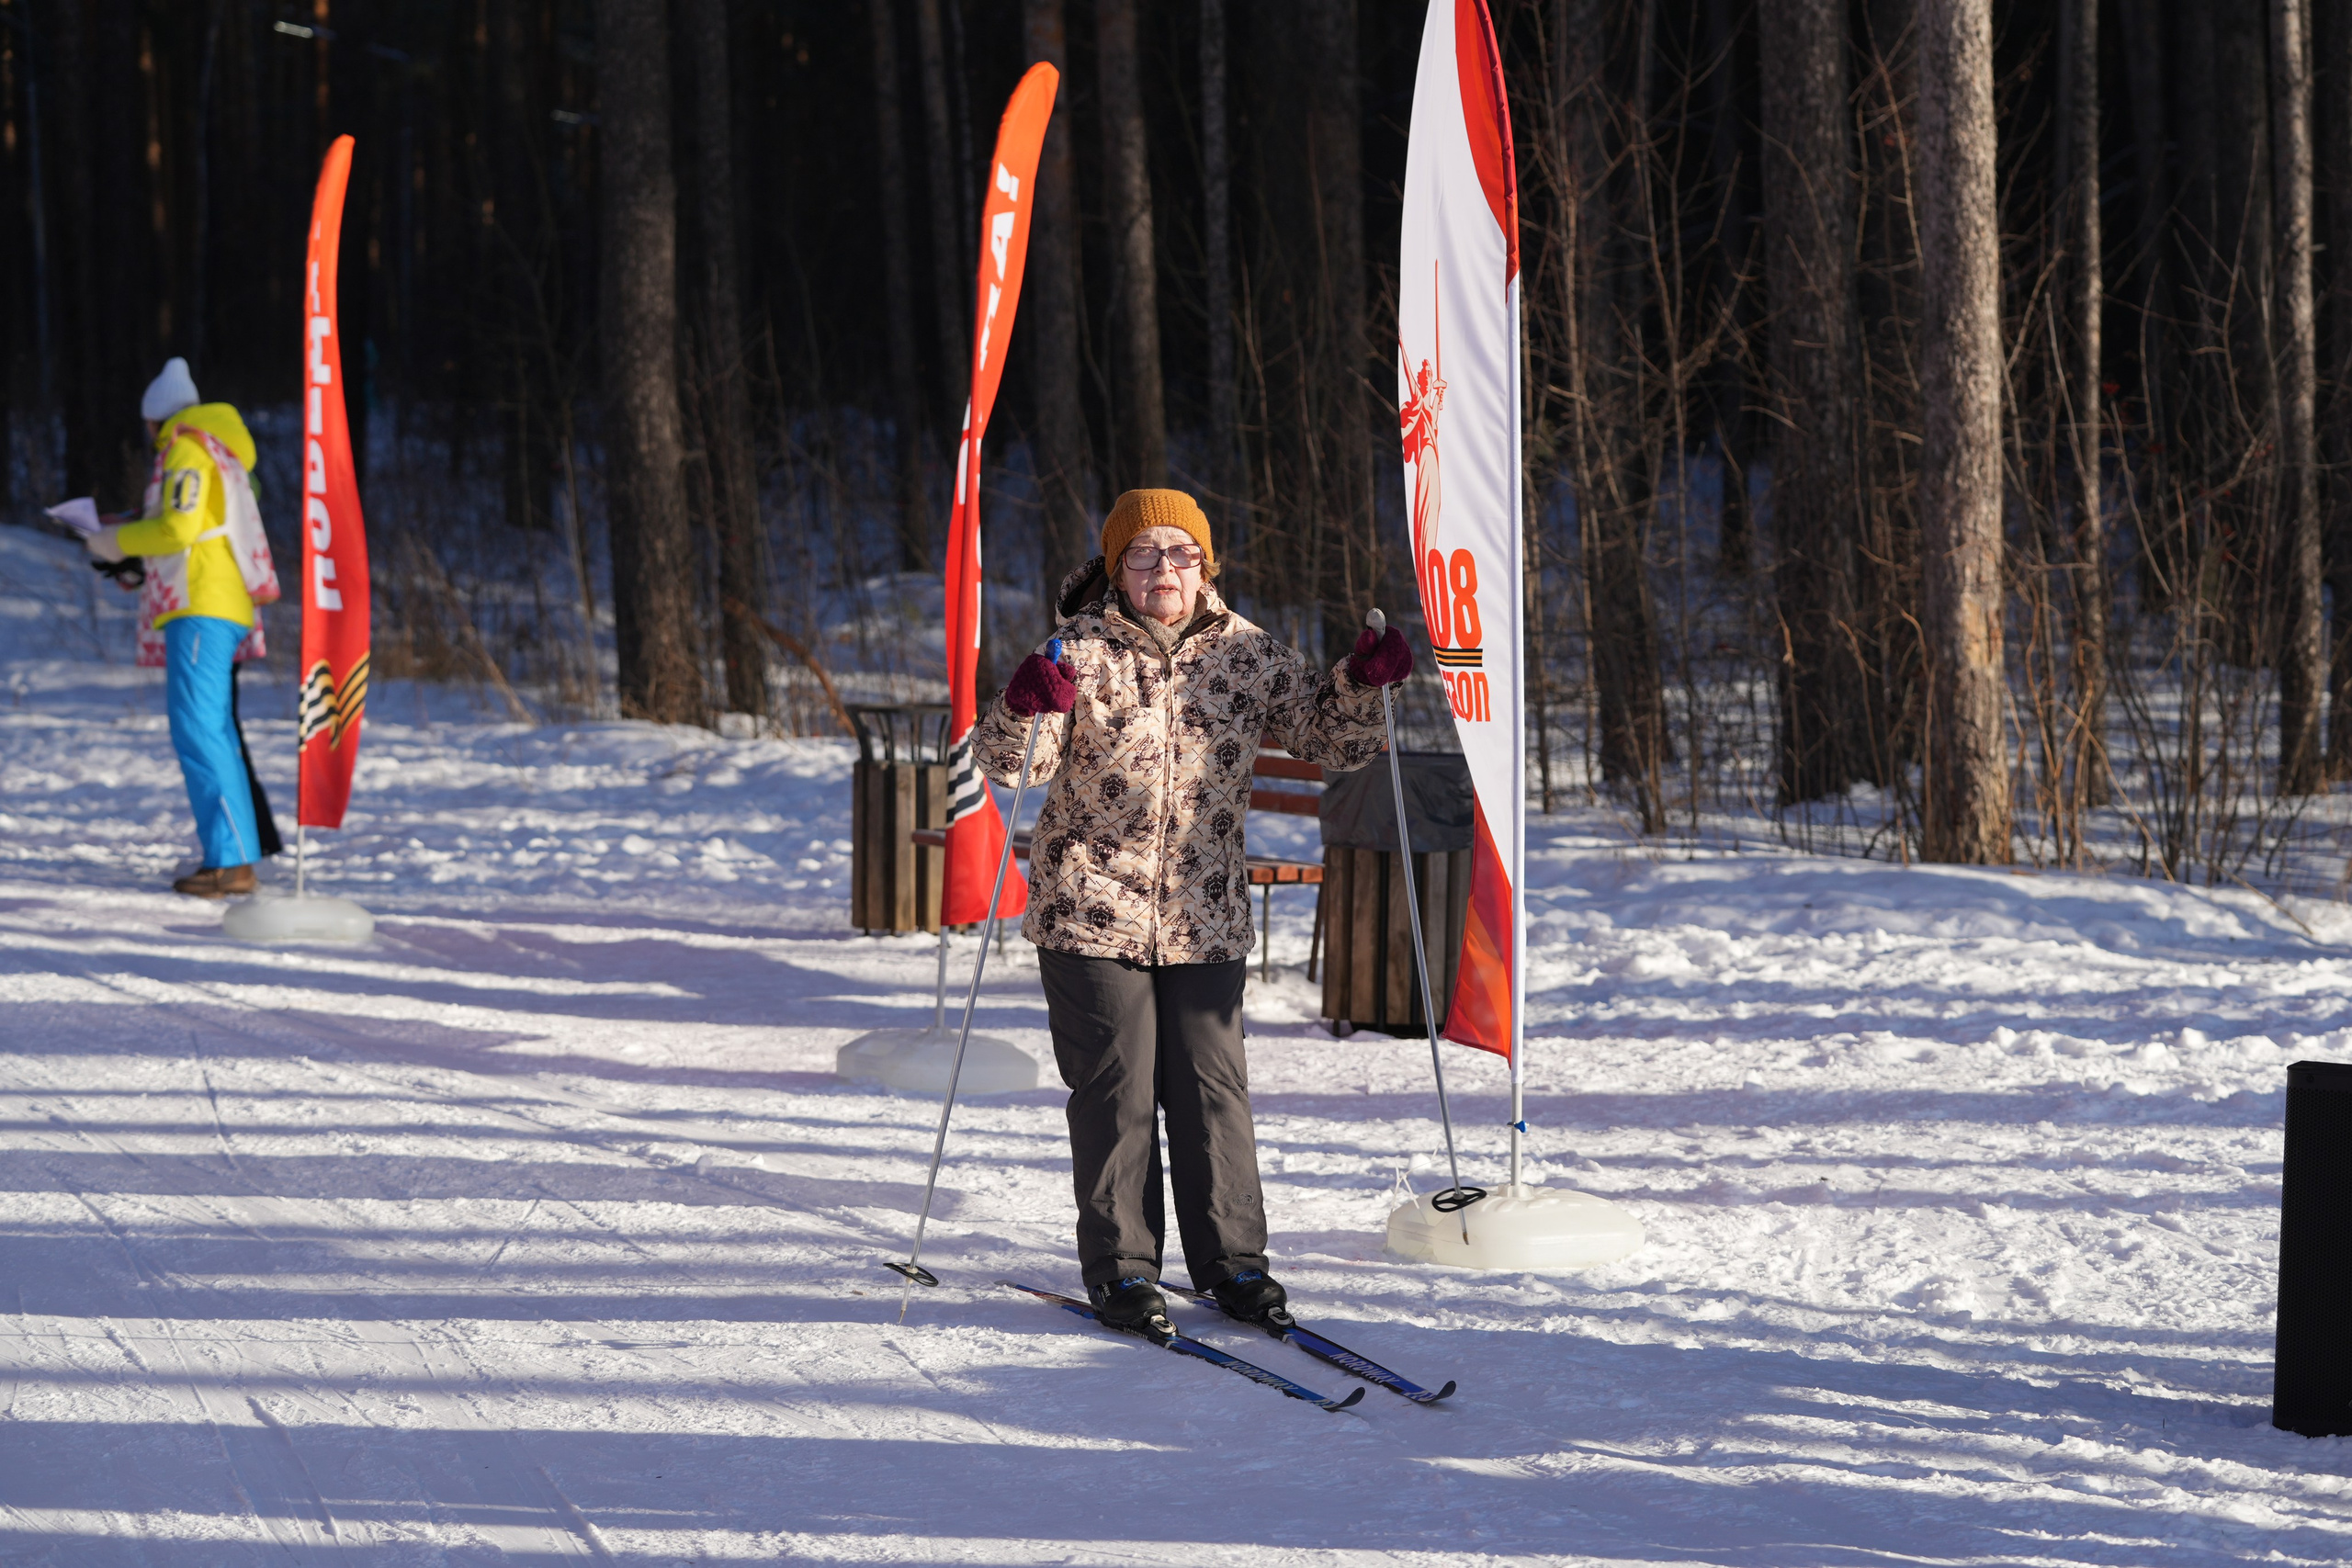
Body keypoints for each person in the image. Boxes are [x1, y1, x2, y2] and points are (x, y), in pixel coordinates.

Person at [970, 487, 1414, 1336]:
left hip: (1203, 911)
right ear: (1116, 568)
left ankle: (1234, 1264)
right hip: (1090, 908)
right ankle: (1124, 1269)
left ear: (1204, 564)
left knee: (1214, 1091)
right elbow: (1012, 765)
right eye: (1143, 555)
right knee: (1118, 1089)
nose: (1162, 569)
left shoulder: (1247, 652)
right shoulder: (1080, 650)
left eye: (1179, 553)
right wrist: (1024, 704)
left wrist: (1363, 682)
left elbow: (1334, 740)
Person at [84, 358, 273, 897]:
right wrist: (134, 560)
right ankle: (231, 856)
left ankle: (231, 862)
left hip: (201, 605)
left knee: (199, 731)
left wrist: (113, 543)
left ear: (155, 420)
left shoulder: (186, 449)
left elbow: (177, 527)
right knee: (211, 730)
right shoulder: (219, 447)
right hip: (213, 598)